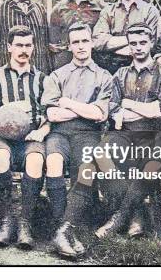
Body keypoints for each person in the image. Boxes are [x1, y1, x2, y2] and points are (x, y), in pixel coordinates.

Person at [93, 23, 161, 241]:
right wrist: (136, 110)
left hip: (153, 133)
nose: (138, 48)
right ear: (128, 46)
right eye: (133, 44)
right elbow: (113, 108)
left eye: (142, 43)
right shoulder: (120, 74)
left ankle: (120, 217)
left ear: (150, 44)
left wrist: (128, 103)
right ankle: (136, 213)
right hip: (125, 132)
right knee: (102, 153)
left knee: (150, 159)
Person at [42, 22, 113, 259]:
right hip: (59, 132)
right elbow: (51, 114)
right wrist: (85, 108)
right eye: (76, 42)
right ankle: (63, 228)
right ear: (69, 46)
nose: (81, 46)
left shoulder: (104, 77)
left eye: (85, 41)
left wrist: (68, 103)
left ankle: (64, 230)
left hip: (88, 133)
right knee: (53, 162)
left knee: (86, 169)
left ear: (92, 42)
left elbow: (99, 114)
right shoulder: (57, 75)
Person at [0, 25, 53, 249]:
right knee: (0, 158)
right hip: (0, 136)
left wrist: (41, 131)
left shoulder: (43, 79)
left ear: (33, 48)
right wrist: (9, 112)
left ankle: (25, 223)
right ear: (9, 47)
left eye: (28, 45)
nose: (23, 50)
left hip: (31, 135)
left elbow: (50, 114)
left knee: (35, 161)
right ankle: (6, 220)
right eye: (19, 45)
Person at [93, 0, 160, 74]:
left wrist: (112, 44)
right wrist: (136, 39)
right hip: (110, 68)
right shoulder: (108, 11)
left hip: (140, 69)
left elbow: (151, 44)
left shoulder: (150, 12)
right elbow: (98, 42)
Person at [49, 0, 106, 69]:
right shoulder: (59, 9)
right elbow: (54, 44)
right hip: (66, 66)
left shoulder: (101, 8)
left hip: (94, 65)